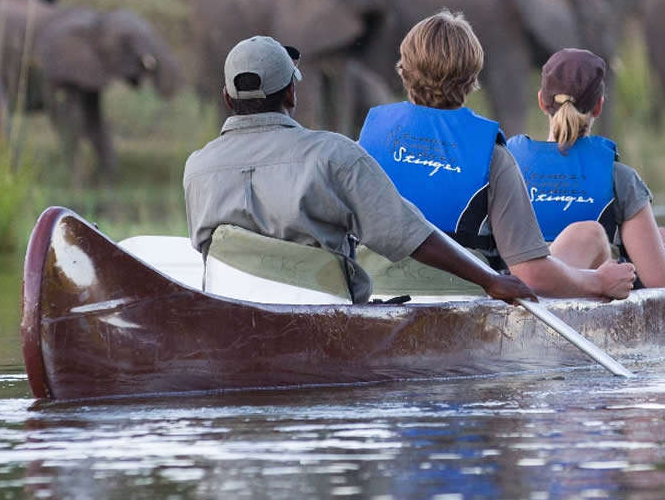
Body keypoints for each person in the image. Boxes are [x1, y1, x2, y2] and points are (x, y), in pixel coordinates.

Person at [182, 35, 536, 306]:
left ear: (228, 99)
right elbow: (410, 234)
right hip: (323, 316)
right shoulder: (333, 155)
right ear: (291, 93)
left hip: (232, 310)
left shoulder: (196, 168)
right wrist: (490, 279)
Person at [358, 11, 636, 300]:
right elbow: (530, 275)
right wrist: (598, 281)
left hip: (372, 297)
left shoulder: (363, 147)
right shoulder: (494, 158)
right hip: (459, 305)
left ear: (403, 72)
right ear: (473, 80)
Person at [506, 48, 665, 289]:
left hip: (514, 296)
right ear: (598, 106)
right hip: (572, 307)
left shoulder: (504, 167)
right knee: (592, 237)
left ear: (541, 102)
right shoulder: (621, 180)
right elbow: (661, 283)